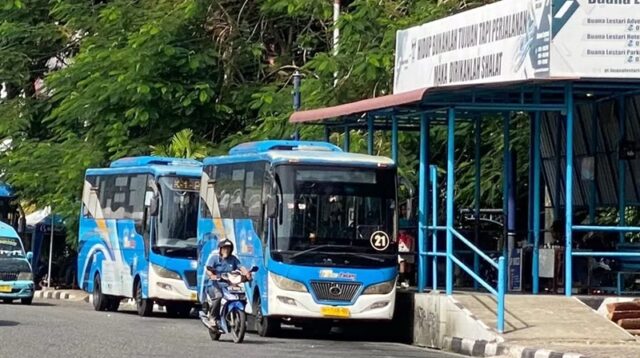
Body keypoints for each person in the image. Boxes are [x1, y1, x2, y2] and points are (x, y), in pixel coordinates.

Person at [200, 239, 251, 327]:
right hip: (214, 285)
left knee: (240, 295)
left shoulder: (233, 259)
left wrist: (247, 274)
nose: (226, 250)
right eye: (224, 248)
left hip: (228, 285)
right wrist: (212, 275)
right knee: (219, 296)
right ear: (220, 249)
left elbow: (241, 267)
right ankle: (213, 317)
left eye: (228, 248)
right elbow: (208, 269)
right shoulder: (214, 258)